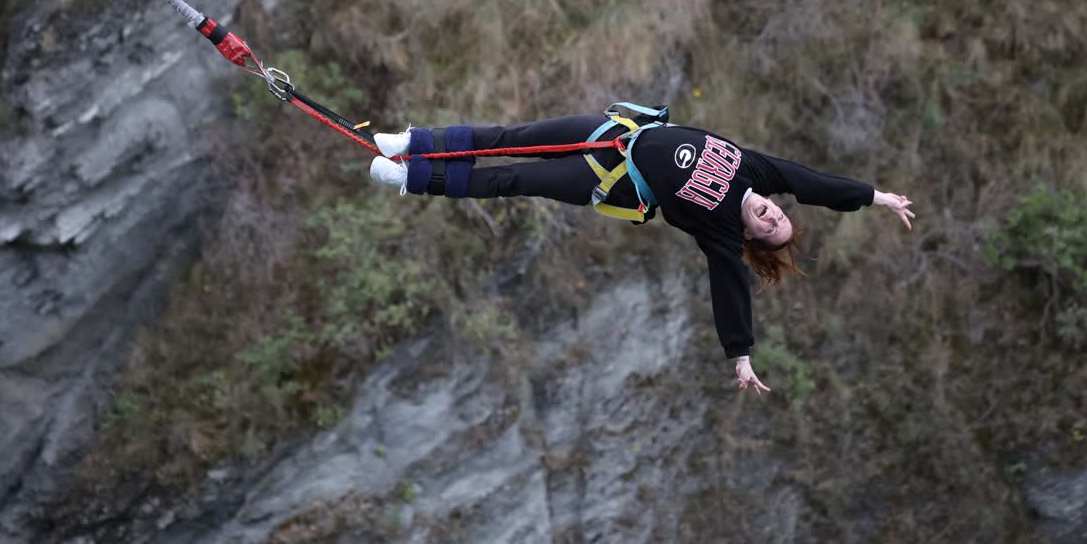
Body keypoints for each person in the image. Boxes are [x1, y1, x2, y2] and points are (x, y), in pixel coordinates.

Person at [368, 111, 914, 395]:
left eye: (768, 230)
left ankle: (410, 177)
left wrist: (740, 354)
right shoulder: (756, 172)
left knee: (512, 178)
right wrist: (877, 197)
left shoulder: (722, 229)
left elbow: (730, 287)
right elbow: (813, 182)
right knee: (510, 137)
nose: (773, 217)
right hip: (615, 131)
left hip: (608, 175)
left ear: (750, 237)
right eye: (778, 216)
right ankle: (413, 141)